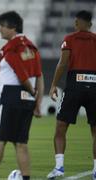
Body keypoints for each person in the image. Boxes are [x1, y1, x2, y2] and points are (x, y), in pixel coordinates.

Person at [0, 11, 44, 180]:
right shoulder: (32, 48)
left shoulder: (10, 48)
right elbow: (39, 76)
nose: (0, 30)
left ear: (13, 27)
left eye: (2, 26)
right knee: (21, 144)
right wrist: (36, 102)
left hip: (10, 97)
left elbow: (21, 74)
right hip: (27, 101)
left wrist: (31, 90)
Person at [47, 10, 96, 179]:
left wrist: (53, 85)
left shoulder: (70, 39)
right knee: (95, 131)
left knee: (61, 127)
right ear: (90, 24)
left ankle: (59, 167)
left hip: (74, 85)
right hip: (95, 86)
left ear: (76, 23)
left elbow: (62, 64)